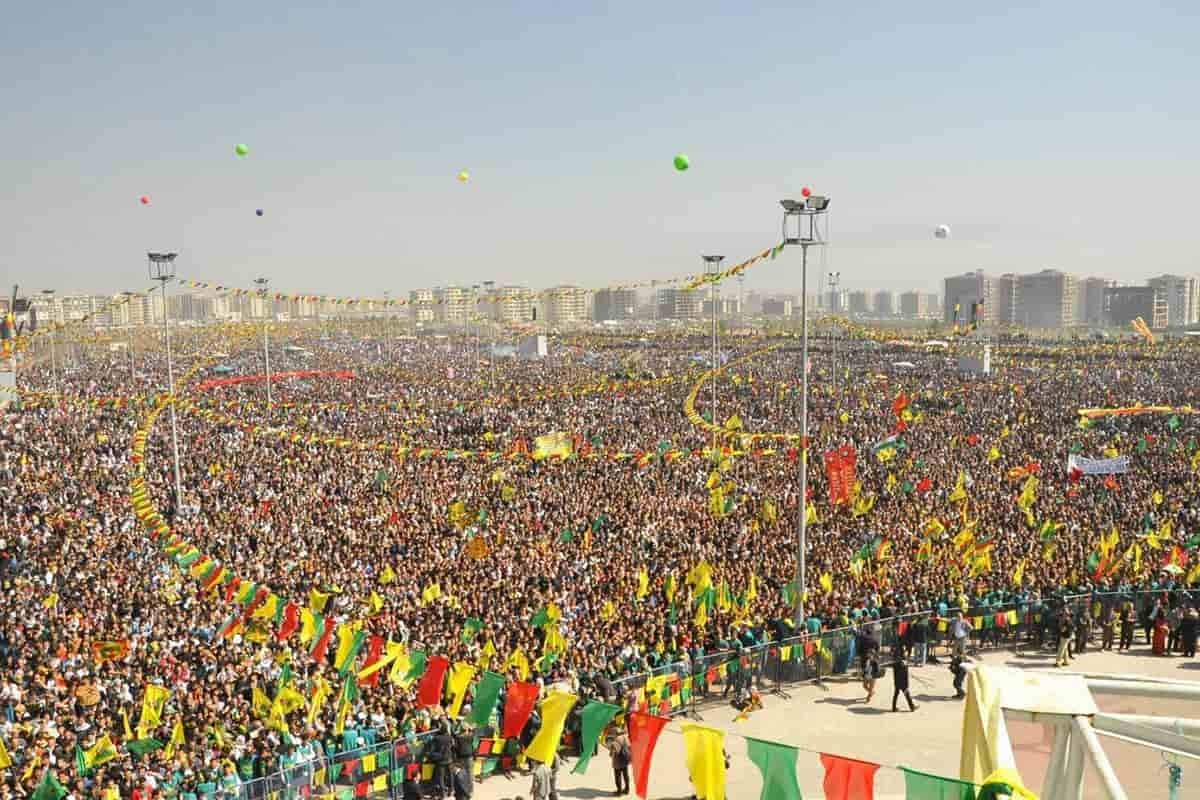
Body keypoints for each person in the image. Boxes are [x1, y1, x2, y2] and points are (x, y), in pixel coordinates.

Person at [607, 723, 631, 796]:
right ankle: (627, 789)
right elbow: (629, 746)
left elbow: (613, 752)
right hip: (626, 759)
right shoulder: (625, 737)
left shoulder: (616, 740)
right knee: (626, 775)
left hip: (618, 761)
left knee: (618, 776)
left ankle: (619, 791)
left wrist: (610, 748)